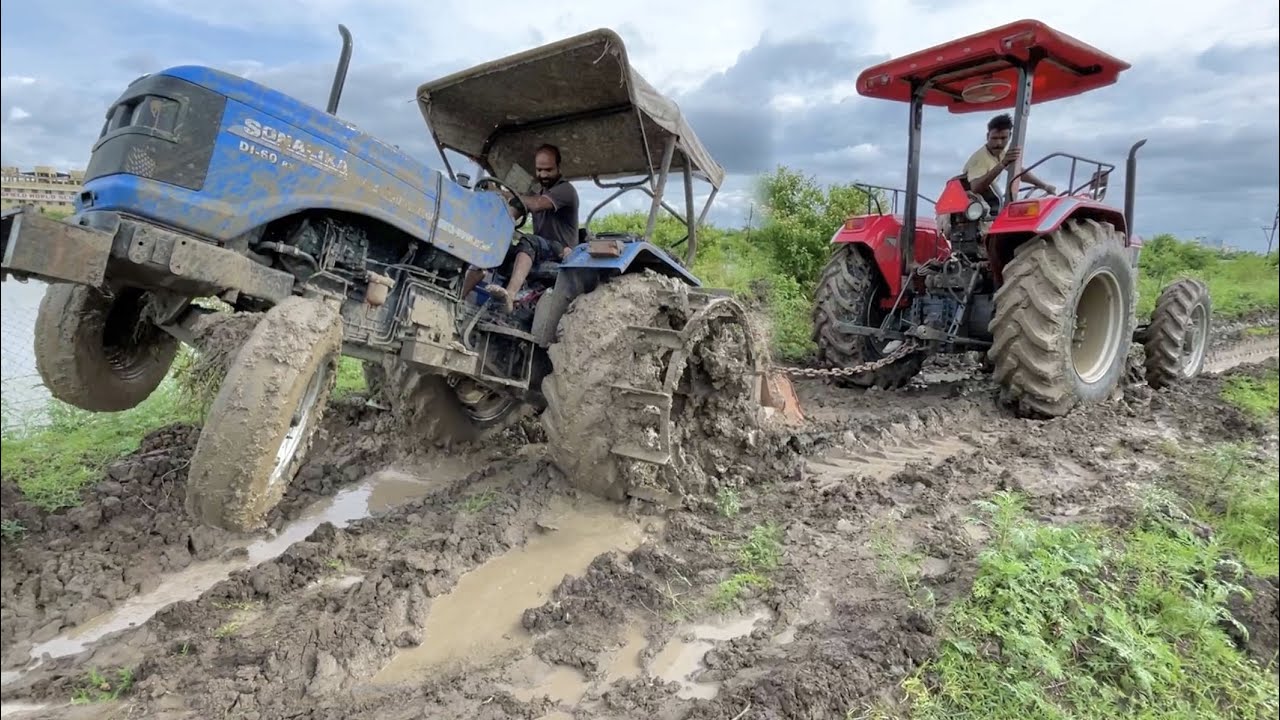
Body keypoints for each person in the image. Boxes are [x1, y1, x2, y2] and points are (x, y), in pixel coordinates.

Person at [461, 144, 580, 313]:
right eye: (539, 170)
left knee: (528, 241)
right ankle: (459, 296)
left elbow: (536, 204)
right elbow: (515, 209)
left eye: (548, 170)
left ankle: (509, 296)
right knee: (495, 245)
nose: (543, 174)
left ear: (558, 167)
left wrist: (502, 193)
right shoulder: (537, 190)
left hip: (561, 251)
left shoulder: (565, 190)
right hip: (539, 250)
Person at [963, 113, 1056, 209]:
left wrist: (1044, 186)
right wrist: (1002, 164)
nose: (998, 143)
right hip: (973, 204)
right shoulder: (980, 159)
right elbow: (975, 188)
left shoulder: (1001, 153)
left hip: (988, 201)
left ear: (1010, 136)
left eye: (1003, 138)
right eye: (994, 138)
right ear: (987, 136)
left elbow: (1017, 171)